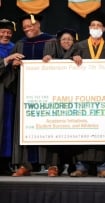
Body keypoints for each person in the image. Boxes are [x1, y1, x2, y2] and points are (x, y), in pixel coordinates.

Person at [68, 9, 105, 178]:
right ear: (89, 27)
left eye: (99, 25)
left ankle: (103, 167)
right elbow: (63, 65)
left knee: (103, 129)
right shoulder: (78, 46)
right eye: (93, 25)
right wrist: (72, 58)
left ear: (104, 29)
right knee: (83, 129)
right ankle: (81, 166)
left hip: (104, 94)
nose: (95, 27)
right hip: (82, 94)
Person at [10, 13, 54, 177]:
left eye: (30, 25)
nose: (27, 28)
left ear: (38, 25)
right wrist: (14, 65)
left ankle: (52, 165)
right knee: (25, 127)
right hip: (26, 95)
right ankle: (26, 164)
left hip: (49, 93)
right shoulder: (20, 44)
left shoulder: (51, 41)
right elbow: (12, 71)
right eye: (25, 27)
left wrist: (53, 60)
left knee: (50, 125)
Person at [41, 28, 79, 176]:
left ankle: (72, 166)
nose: (67, 42)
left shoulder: (78, 52)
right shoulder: (51, 55)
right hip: (55, 99)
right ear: (59, 41)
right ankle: (55, 165)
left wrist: (77, 59)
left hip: (74, 99)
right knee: (56, 133)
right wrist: (46, 61)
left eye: (69, 39)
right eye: (64, 39)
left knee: (73, 134)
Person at [0, 19, 25, 175]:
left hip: (9, 94)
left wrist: (15, 67)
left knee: (8, 128)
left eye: (9, 32)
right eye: (2, 31)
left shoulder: (14, 47)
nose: (6, 34)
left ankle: (5, 163)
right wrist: (8, 60)